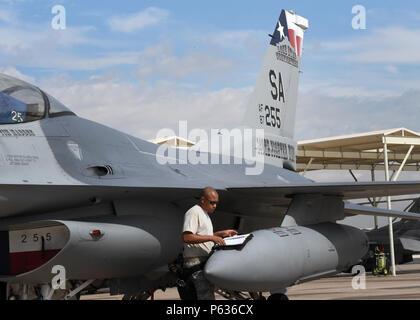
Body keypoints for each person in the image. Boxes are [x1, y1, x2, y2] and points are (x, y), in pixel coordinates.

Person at [180, 187, 237, 300]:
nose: (214, 206)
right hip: (195, 264)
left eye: (216, 203)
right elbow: (186, 237)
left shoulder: (204, 214)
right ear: (202, 200)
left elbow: (202, 236)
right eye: (212, 202)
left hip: (202, 263)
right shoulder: (194, 212)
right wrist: (211, 237)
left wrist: (221, 234)